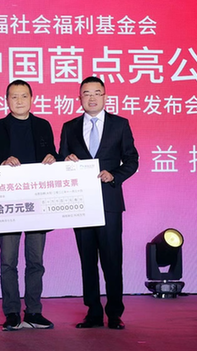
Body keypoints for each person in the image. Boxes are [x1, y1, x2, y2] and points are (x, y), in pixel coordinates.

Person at [0, 79, 57, 331]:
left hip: (38, 203)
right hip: (7, 204)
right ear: (6, 100)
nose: (19, 101)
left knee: (36, 261)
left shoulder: (43, 126)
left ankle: (34, 311)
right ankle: (11, 312)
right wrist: (0, 163)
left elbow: (53, 155)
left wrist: (53, 158)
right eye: (14, 96)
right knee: (8, 262)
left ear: (32, 99)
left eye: (24, 96)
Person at [59, 76, 139, 330]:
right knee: (87, 261)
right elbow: (61, 160)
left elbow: (132, 160)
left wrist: (114, 175)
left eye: (96, 93)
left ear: (105, 96)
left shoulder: (119, 125)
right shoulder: (69, 127)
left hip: (109, 203)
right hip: (81, 204)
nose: (91, 98)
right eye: (86, 93)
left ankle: (114, 313)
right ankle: (93, 312)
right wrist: (66, 162)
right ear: (79, 98)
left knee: (112, 259)